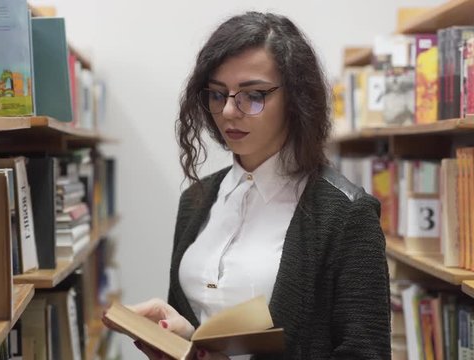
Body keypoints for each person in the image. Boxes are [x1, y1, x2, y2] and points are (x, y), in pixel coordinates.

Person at [107, 11, 390, 360]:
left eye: (252, 95)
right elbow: (207, 335)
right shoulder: (196, 200)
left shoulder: (347, 213)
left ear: (297, 100)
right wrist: (181, 336)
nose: (228, 111)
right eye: (216, 94)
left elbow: (366, 353)